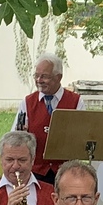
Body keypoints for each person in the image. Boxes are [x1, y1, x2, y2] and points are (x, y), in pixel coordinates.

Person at [15, 54, 79, 182]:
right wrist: (22, 134)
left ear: (58, 77)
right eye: (36, 75)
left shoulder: (76, 102)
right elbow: (15, 138)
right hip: (35, 172)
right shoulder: (27, 102)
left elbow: (81, 137)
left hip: (66, 172)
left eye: (44, 76)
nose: (39, 80)